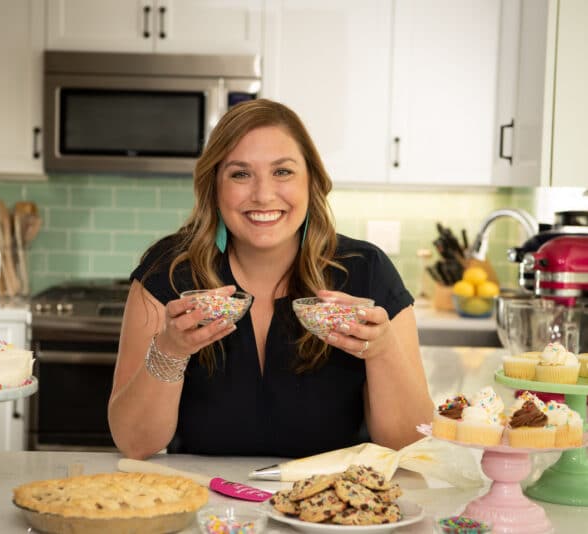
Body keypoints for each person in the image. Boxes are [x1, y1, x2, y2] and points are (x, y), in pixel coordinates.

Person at [108, 99, 434, 460]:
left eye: (282, 172)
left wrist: (383, 351)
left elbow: (409, 442)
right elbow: (134, 444)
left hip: (331, 510)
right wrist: (170, 350)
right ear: (214, 186)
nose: (263, 195)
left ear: (311, 181)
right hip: (207, 508)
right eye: (240, 174)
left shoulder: (365, 271)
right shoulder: (168, 271)